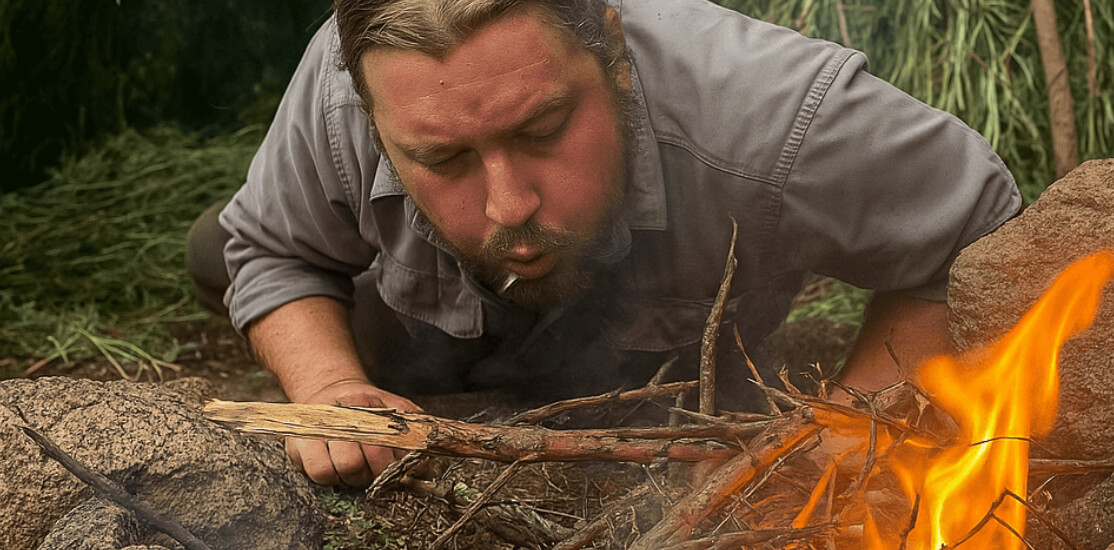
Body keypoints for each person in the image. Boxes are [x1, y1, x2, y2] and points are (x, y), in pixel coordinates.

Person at [186, 0, 1021, 487]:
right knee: (212, 247)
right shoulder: (338, 94)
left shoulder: (772, 116)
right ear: (370, 114)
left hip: (671, 376)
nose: (510, 204)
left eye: (544, 128)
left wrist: (843, 430)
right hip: (427, 350)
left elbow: (975, 228)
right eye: (442, 158)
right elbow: (267, 249)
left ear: (616, 56)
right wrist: (330, 385)